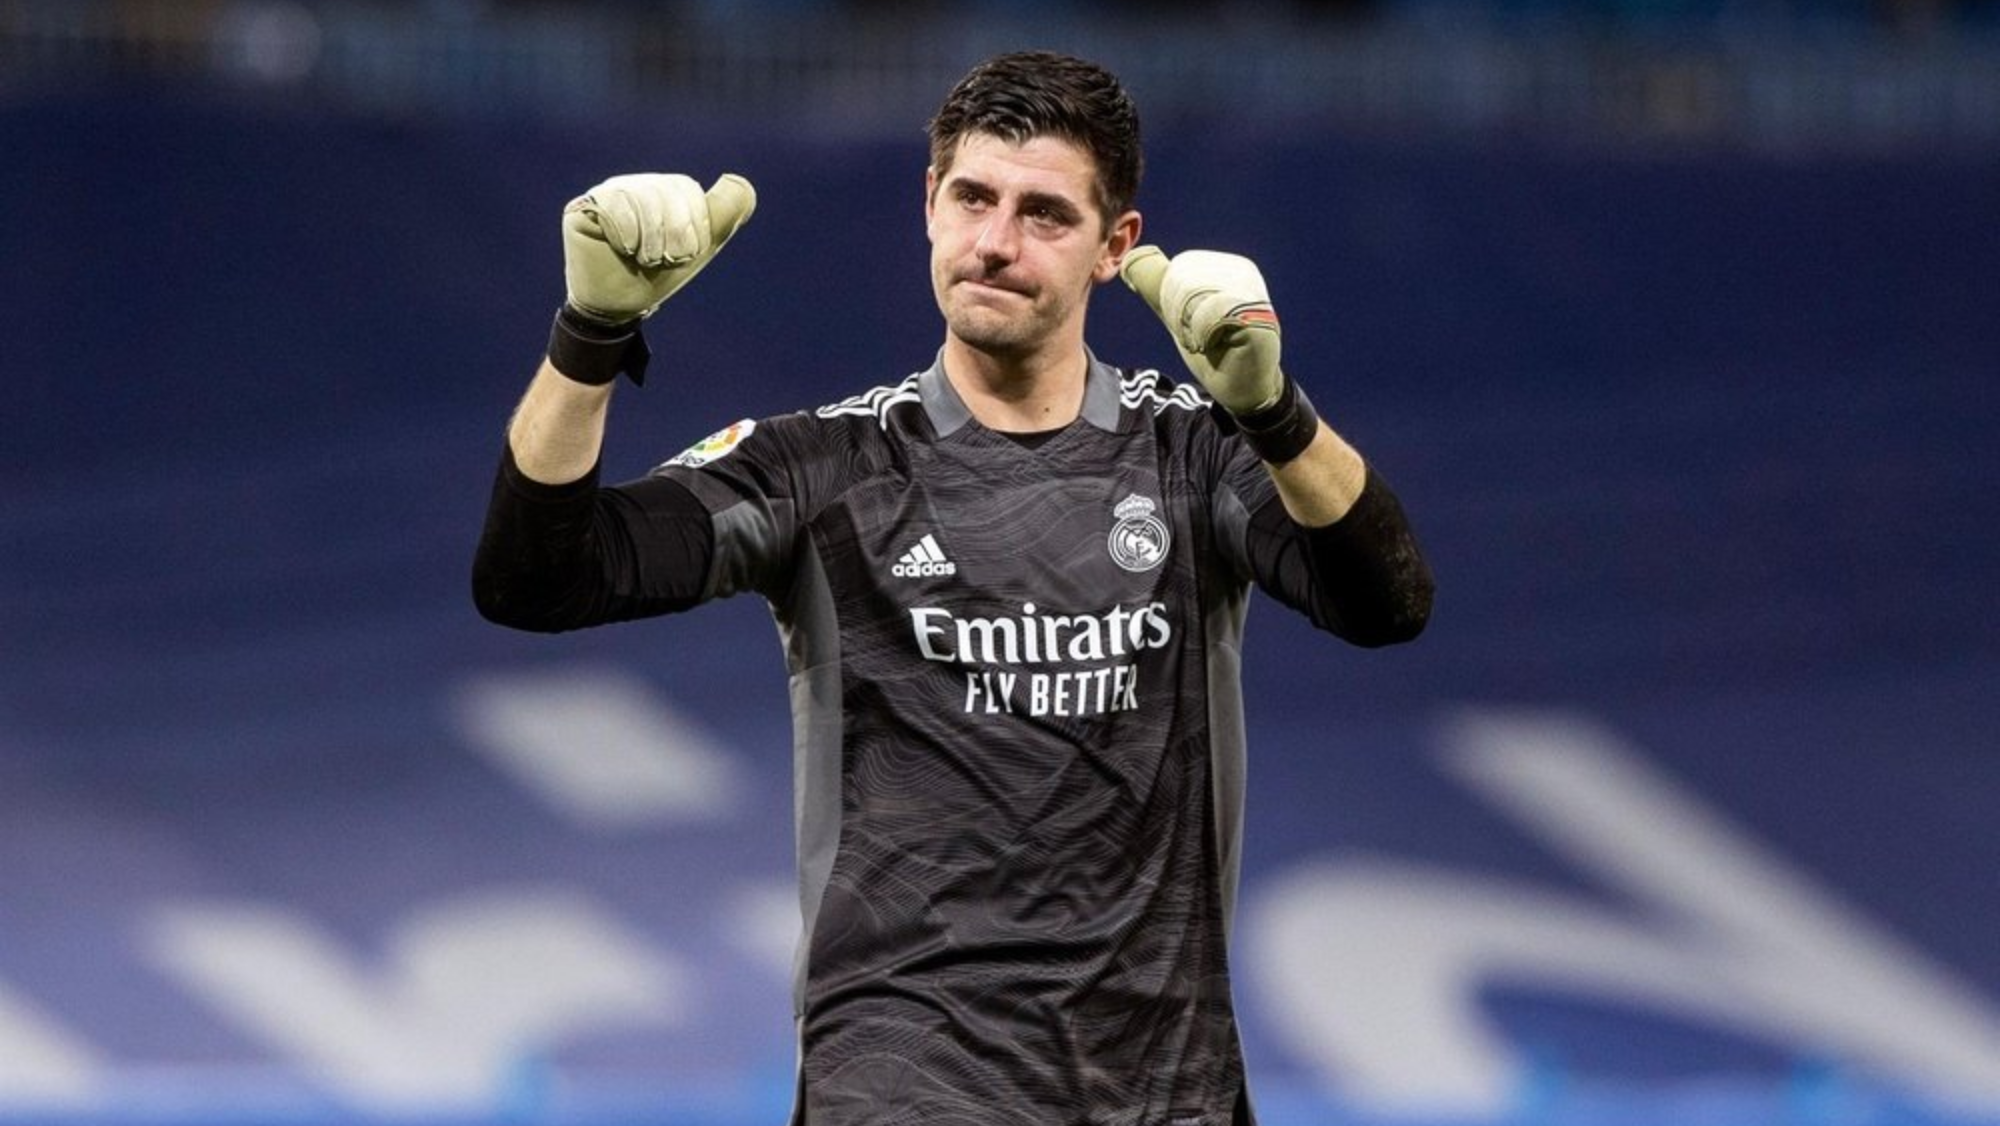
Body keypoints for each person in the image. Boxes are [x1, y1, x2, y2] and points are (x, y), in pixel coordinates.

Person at [473, 49, 1432, 1126]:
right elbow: (535, 578)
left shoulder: (1193, 457)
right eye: (971, 197)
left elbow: (1383, 601)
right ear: (927, 204)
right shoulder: (823, 469)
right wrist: (590, 336)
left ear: (1115, 247)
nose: (994, 242)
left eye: (1043, 214)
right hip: (897, 1095)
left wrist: (1274, 414)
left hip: (1162, 1100)